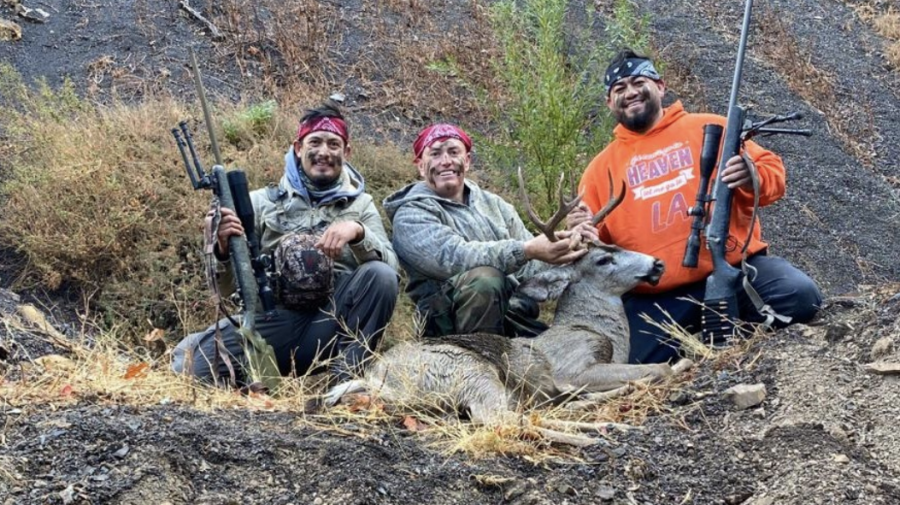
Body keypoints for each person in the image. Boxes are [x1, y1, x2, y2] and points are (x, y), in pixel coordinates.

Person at [567, 49, 823, 364]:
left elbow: (774, 178)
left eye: (638, 82)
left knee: (801, 298)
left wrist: (750, 175)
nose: (630, 92)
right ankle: (701, 346)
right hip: (656, 294)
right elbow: (592, 237)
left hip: (734, 271)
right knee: (629, 362)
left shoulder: (711, 127)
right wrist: (579, 232)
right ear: (610, 103)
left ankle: (725, 339)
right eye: (619, 89)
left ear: (660, 86)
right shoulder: (599, 169)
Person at [172, 101, 399, 384]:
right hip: (272, 320)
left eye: (333, 144)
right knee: (189, 368)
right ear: (298, 147)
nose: (324, 152)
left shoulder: (362, 205)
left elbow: (392, 271)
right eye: (314, 142)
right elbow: (224, 287)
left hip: (329, 322)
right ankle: (254, 377)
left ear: (347, 151)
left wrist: (359, 232)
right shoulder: (257, 203)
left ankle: (347, 383)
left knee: (380, 275)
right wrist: (220, 247)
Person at [384, 123, 591, 339]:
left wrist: (568, 241)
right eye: (435, 154)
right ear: (420, 164)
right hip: (446, 323)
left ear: (467, 160)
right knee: (485, 279)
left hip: (511, 314)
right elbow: (455, 258)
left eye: (454, 152)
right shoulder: (410, 214)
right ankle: (478, 361)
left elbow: (532, 271)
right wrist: (526, 250)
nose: (445, 161)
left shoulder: (494, 204)